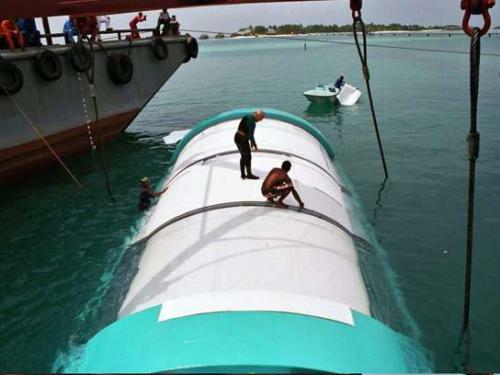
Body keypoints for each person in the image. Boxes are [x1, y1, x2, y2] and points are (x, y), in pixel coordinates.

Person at [234, 109, 265, 180]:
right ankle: (249, 174)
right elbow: (251, 135)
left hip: (237, 137)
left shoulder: (248, 116)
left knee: (243, 156)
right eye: (260, 118)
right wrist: (254, 144)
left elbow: (247, 131)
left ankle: (243, 174)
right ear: (257, 115)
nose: (260, 120)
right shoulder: (252, 122)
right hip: (242, 140)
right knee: (248, 157)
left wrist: (251, 142)